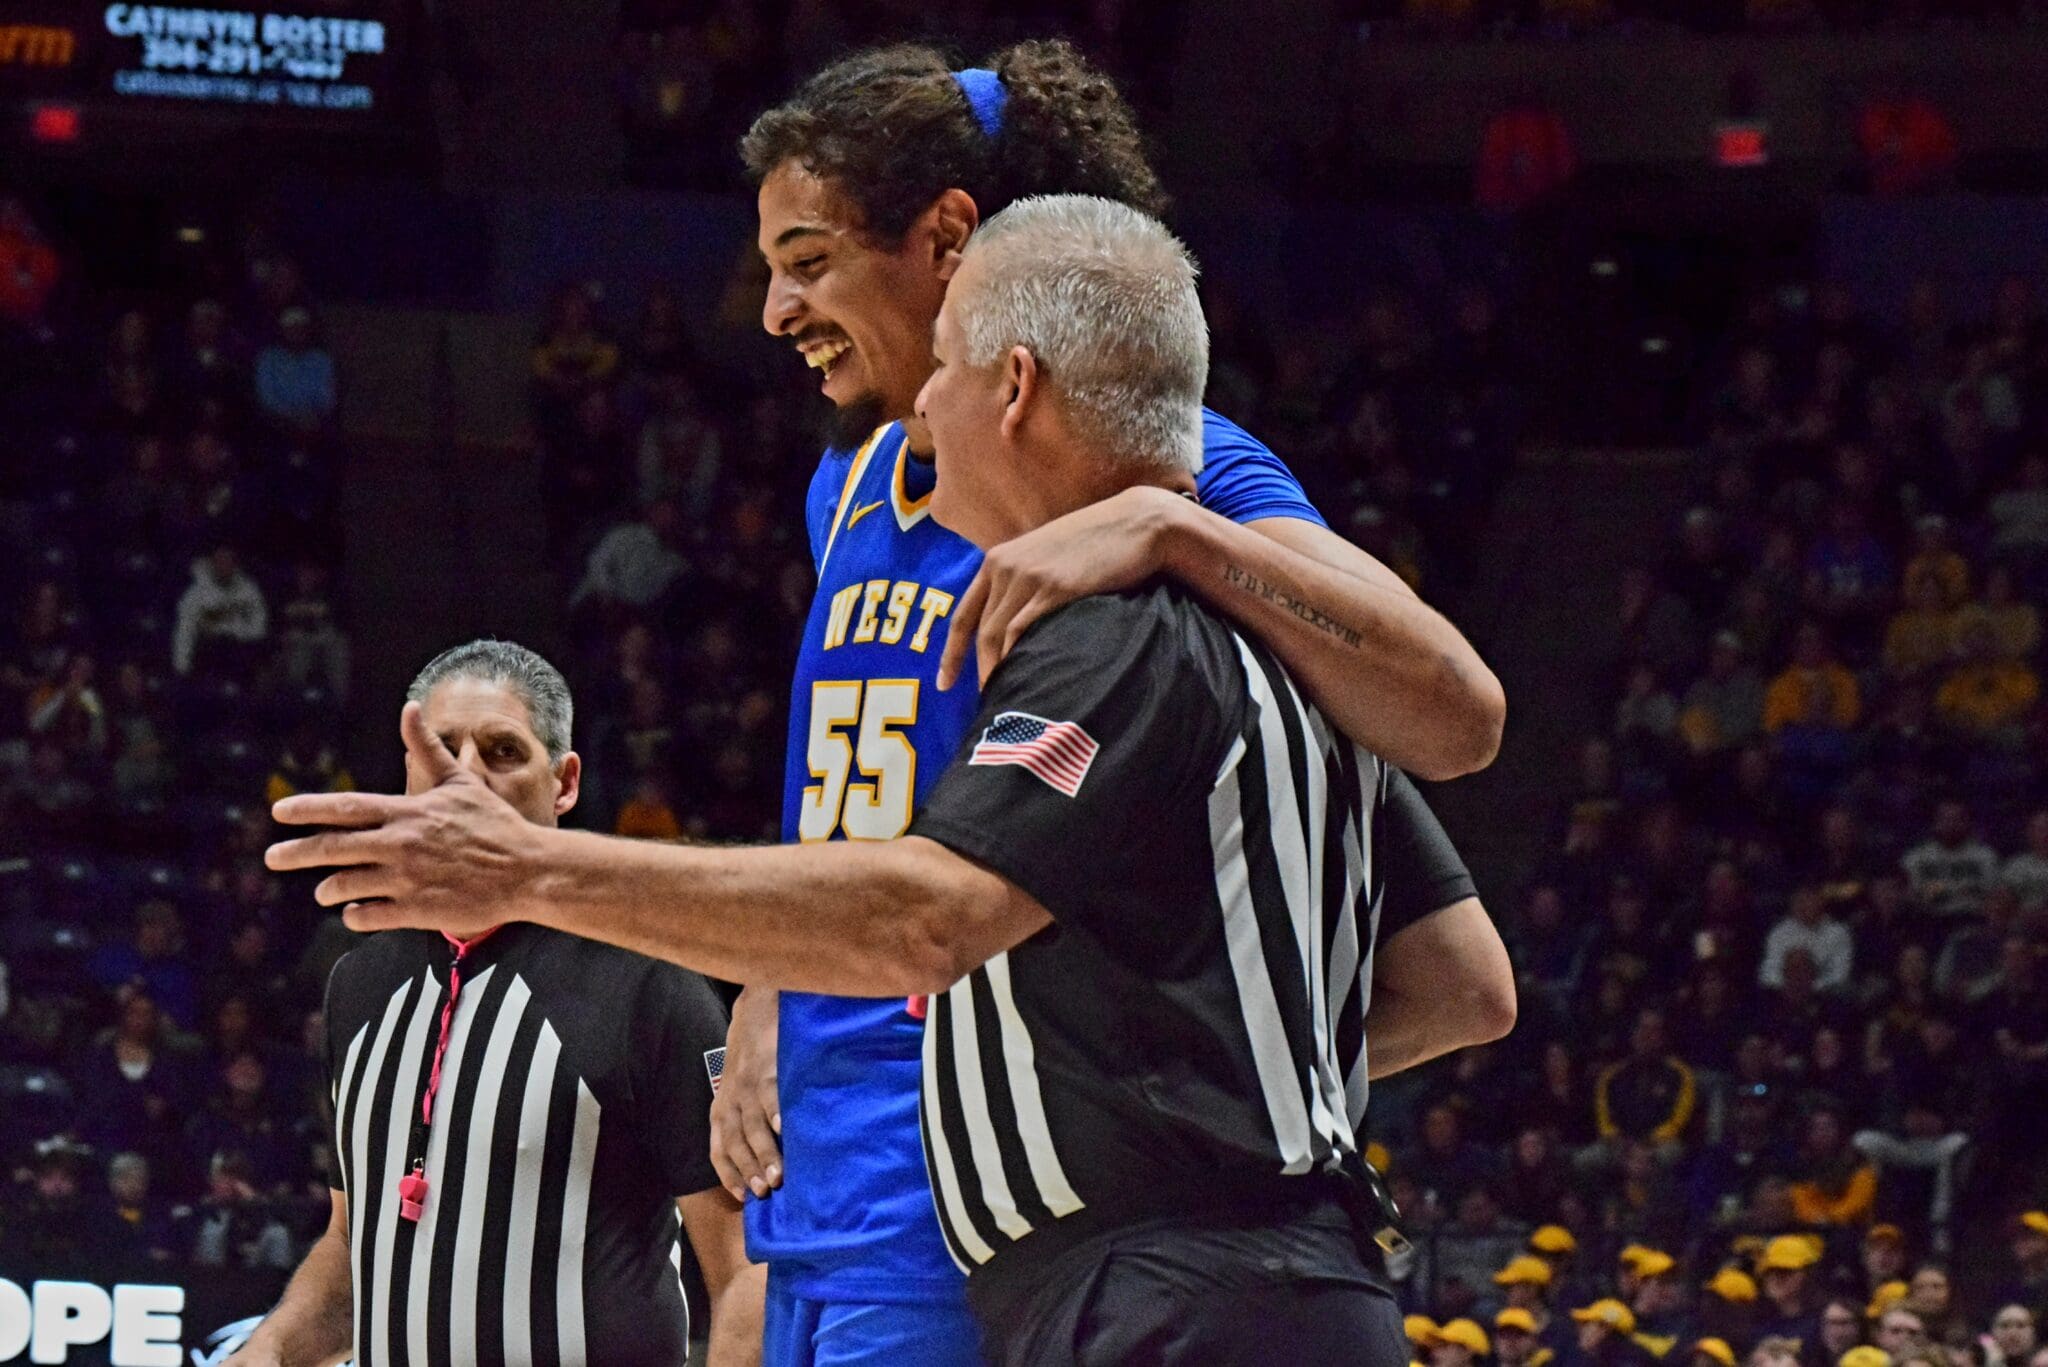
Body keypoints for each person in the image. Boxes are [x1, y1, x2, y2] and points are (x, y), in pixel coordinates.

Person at [269, 197, 1481, 1366]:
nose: (916, 415)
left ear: (1013, 386)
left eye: (942, 368)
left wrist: (527, 867)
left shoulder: (1121, 622)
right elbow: (1454, 972)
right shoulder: (1289, 642)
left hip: (1171, 1280)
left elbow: (926, 916)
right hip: (1201, 1269)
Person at [732, 39, 1509, 1367]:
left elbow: (1452, 710)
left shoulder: (1166, 467)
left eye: (809, 259)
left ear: (943, 239)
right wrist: (764, 985)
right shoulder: (849, 487)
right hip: (816, 1207)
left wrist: (1185, 1093)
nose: (774, 308)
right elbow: (869, 805)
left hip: (982, 1216)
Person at [228, 641, 759, 1366]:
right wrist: (269, 1349)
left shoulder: (648, 987)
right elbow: (356, 1248)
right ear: (408, 772)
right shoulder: (357, 985)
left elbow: (745, 1272)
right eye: (441, 749)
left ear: (565, 783)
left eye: (502, 750)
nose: (466, 774)